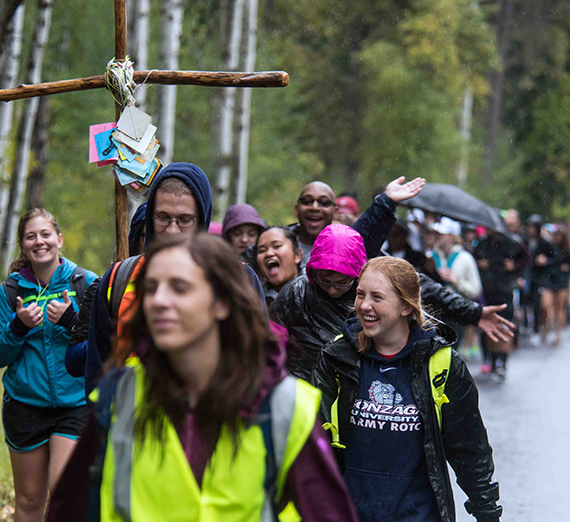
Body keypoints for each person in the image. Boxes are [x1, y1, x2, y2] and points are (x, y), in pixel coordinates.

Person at [47, 234, 359, 522]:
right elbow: (69, 510)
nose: (158, 301)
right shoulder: (121, 392)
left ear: (222, 303)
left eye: (180, 288)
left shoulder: (284, 406)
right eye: (152, 288)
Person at [313, 257, 502, 522]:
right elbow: (312, 441)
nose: (364, 305)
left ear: (405, 306)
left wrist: (487, 513)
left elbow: (470, 450)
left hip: (417, 515)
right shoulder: (337, 357)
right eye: (360, 294)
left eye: (377, 297)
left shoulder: (441, 364)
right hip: (350, 512)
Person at [85, 162, 265, 398]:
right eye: (162, 218)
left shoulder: (235, 278)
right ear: (150, 218)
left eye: (184, 220)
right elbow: (98, 371)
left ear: (201, 220)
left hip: (215, 420)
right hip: (134, 425)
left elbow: (256, 361)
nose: (171, 230)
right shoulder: (118, 278)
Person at [0, 209, 97, 522]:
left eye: (45, 234)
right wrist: (18, 326)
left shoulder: (86, 283)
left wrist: (72, 321)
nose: (39, 241)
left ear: (59, 239)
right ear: (23, 245)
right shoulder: (10, 291)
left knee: (65, 494)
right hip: (25, 406)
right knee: (29, 502)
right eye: (31, 236)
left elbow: (102, 348)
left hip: (74, 404)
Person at [271, 224, 367, 381]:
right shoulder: (296, 292)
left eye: (342, 283)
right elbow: (272, 340)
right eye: (324, 280)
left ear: (357, 276)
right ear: (313, 272)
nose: (332, 290)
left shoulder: (367, 297)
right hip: (300, 386)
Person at [474, 230, 521, 377]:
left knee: (504, 324)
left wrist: (515, 267)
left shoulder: (510, 242)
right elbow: (472, 259)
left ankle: (502, 361)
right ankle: (490, 360)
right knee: (486, 325)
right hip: (487, 289)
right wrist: (479, 264)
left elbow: (525, 258)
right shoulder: (481, 243)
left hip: (504, 290)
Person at [255, 226, 303, 304]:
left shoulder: (316, 293)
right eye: (262, 250)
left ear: (297, 255)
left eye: (277, 246)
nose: (269, 253)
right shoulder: (254, 302)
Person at [541, 226, 570, 345]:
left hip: (561, 280)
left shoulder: (566, 250)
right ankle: (547, 328)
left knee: (559, 308)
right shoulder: (549, 247)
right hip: (549, 279)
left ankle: (557, 333)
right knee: (546, 306)